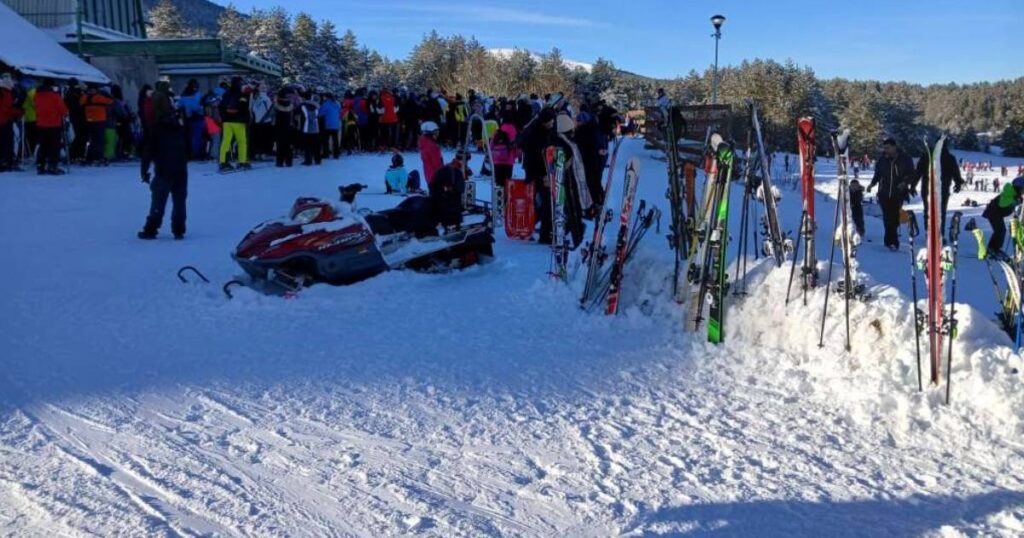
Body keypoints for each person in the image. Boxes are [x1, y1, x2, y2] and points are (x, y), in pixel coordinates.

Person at [138, 81, 188, 240]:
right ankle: (179, 229)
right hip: (180, 167)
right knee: (179, 200)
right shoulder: (178, 126)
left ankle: (151, 228)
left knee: (158, 200)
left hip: (163, 167)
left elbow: (148, 151)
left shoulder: (155, 129)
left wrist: (144, 169)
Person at [866, 137, 914, 250]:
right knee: (887, 217)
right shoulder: (882, 160)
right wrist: (872, 184)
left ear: (894, 147)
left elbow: (912, 174)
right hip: (884, 193)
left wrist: (905, 183)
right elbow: (877, 174)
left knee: (895, 217)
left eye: (888, 148)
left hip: (899, 193)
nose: (886, 150)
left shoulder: (905, 159)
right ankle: (891, 242)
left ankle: (892, 239)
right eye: (884, 148)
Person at [519, 108, 557, 243]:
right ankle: (544, 233)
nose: (552, 123)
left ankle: (539, 229)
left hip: (540, 170)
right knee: (545, 202)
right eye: (550, 121)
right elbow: (532, 151)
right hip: (538, 171)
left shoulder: (543, 130)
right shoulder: (535, 132)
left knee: (543, 202)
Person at [912, 141, 964, 237]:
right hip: (942, 190)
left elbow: (918, 173)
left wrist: (913, 186)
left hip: (928, 189)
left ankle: (929, 233)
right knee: (941, 212)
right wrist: (958, 183)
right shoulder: (949, 157)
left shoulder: (927, 156)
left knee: (928, 211)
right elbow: (956, 173)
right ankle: (939, 234)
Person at [33, 78, 68, 175]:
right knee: (54, 146)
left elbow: (35, 106)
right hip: (53, 124)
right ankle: (52, 166)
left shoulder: (37, 96)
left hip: (40, 124)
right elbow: (63, 110)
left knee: (43, 146)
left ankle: (40, 166)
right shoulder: (54, 96)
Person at [983, 177, 1024, 259]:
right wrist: (1015, 201)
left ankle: (993, 249)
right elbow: (1003, 203)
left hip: (997, 213)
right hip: (993, 212)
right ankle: (993, 249)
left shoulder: (1015, 194)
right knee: (1000, 231)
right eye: (1023, 189)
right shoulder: (1009, 192)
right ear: (1018, 187)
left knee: (1000, 231)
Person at [429, 148, 470, 228]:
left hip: (436, 201)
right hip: (448, 208)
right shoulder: (456, 172)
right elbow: (460, 189)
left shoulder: (446, 167)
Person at [218, 77, 250, 171]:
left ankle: (223, 162)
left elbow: (221, 106)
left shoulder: (226, 94)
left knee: (226, 142)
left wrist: (223, 117)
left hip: (227, 121)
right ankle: (242, 161)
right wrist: (246, 119)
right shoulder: (242, 94)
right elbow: (244, 108)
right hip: (239, 121)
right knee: (241, 142)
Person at [80, 84, 114, 165]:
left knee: (91, 140)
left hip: (89, 121)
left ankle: (89, 157)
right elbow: (110, 101)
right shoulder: (98, 97)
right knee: (99, 140)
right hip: (99, 120)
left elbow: (81, 103)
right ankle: (98, 157)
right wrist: (108, 95)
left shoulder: (84, 97)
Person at [249, 82, 274, 161]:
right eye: (263, 87)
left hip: (257, 121)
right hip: (265, 121)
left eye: (265, 86)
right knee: (265, 138)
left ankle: (257, 153)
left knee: (258, 138)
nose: (264, 88)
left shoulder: (254, 97)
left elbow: (251, 108)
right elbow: (270, 109)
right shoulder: (266, 98)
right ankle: (263, 154)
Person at [273, 87, 295, 167]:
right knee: (288, 145)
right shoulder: (290, 105)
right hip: (288, 126)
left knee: (280, 144)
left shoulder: (277, 104)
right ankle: (289, 161)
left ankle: (280, 162)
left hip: (279, 126)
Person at [298, 91, 321, 166]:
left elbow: (306, 116)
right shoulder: (317, 106)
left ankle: (308, 160)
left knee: (307, 145)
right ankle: (318, 159)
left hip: (306, 127)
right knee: (316, 144)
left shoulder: (303, 106)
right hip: (315, 127)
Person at [0, 73, 18, 172]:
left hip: (3, 120)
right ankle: (7, 161)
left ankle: (4, 161)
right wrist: (18, 111)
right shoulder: (6, 93)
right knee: (7, 142)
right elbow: (7, 109)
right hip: (5, 121)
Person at [418, 121, 443, 186]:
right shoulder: (433, 147)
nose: (438, 134)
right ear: (430, 133)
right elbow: (438, 165)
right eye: (436, 132)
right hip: (437, 179)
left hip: (429, 177)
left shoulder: (424, 144)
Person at [318, 92, 341, 159]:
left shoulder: (325, 104)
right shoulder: (337, 104)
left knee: (326, 140)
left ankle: (326, 154)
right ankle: (336, 154)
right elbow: (340, 113)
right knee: (335, 140)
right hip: (336, 124)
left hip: (328, 124)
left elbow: (320, 114)